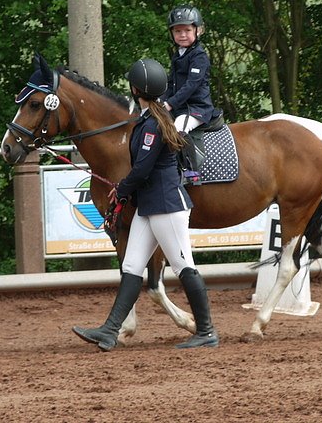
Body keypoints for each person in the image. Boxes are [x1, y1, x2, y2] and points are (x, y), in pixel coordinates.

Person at [72, 58, 219, 351]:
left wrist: (120, 191)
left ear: (135, 89)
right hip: (149, 207)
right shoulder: (149, 119)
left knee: (183, 266)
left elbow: (141, 169)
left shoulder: (152, 124)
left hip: (166, 207)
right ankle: (110, 330)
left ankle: (206, 331)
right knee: (131, 266)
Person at [162, 4, 219, 180]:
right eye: (177, 31)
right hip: (180, 107)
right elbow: (171, 83)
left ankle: (191, 171)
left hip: (196, 108)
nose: (182, 35)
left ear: (198, 30)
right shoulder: (178, 55)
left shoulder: (199, 56)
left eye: (187, 30)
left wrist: (170, 104)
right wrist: (160, 101)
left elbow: (191, 85)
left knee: (178, 129)